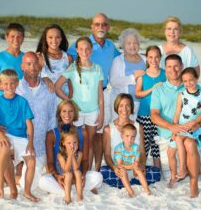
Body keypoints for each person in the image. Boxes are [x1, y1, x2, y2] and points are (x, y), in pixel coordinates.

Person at [150, 54, 201, 198]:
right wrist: (172, 127)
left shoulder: (193, 87)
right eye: (169, 66)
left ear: (182, 67)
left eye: (176, 66)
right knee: (171, 176)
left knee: (190, 144)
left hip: (189, 133)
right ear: (164, 69)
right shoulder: (159, 89)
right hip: (168, 137)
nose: (173, 69)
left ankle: (193, 183)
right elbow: (154, 116)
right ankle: (194, 166)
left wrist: (198, 124)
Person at [67, 13, 120, 170]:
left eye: (104, 24)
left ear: (108, 27)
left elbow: (123, 59)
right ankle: (77, 166)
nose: (100, 27)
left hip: (101, 93)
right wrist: (70, 88)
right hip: (81, 94)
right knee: (79, 135)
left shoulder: (111, 46)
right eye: (97, 24)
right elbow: (67, 60)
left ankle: (95, 168)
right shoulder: (84, 43)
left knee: (98, 134)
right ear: (91, 26)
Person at [0, 69, 39, 202]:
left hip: (21, 138)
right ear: (0, 84)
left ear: (17, 83)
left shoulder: (22, 101)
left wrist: (30, 142)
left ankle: (27, 192)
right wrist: (1, 135)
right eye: (5, 83)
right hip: (4, 134)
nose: (9, 86)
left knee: (32, 161)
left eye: (12, 83)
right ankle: (1, 183)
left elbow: (29, 124)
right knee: (4, 148)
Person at [55, 36, 104, 170]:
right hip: (76, 113)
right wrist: (68, 102)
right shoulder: (72, 68)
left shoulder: (98, 68)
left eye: (87, 48)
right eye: (81, 49)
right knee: (76, 143)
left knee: (90, 143)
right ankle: (74, 170)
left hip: (93, 111)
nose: (84, 51)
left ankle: (86, 172)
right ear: (77, 50)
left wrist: (101, 113)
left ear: (91, 50)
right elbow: (57, 87)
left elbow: (100, 93)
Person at [39, 100, 103, 194]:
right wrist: (57, 177)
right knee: (43, 181)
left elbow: (85, 160)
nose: (67, 114)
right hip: (62, 176)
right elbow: (50, 162)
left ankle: (71, 188)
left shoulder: (83, 132)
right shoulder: (51, 134)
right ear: (59, 114)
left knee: (98, 177)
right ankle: (75, 189)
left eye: (71, 111)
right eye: (64, 111)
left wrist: (83, 175)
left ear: (75, 113)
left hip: (78, 174)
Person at [100, 93, 161, 188]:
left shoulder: (138, 126)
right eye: (121, 106)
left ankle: (126, 182)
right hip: (118, 168)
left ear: (132, 108)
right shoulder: (108, 129)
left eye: (128, 105)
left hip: (135, 167)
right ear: (116, 107)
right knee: (103, 171)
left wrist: (142, 165)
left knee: (156, 172)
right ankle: (132, 182)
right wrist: (115, 168)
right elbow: (107, 155)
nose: (124, 109)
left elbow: (142, 151)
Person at [15, 52, 56, 190]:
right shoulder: (16, 89)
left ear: (40, 66)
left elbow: (52, 119)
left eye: (35, 63)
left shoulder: (49, 90)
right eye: (28, 63)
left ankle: (16, 177)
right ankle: (9, 172)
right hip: (19, 144)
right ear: (22, 66)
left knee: (30, 186)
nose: (32, 67)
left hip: (39, 148)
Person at [173, 67, 201, 180]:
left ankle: (183, 168)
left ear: (197, 79)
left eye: (191, 80)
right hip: (182, 125)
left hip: (195, 126)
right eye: (185, 81)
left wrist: (194, 122)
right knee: (179, 139)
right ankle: (195, 167)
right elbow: (177, 112)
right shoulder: (181, 94)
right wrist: (174, 127)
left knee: (184, 142)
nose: (188, 83)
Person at [135, 46, 166, 168]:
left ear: (160, 58)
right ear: (146, 59)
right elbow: (137, 93)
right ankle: (141, 171)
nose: (154, 60)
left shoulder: (165, 74)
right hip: (145, 115)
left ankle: (157, 171)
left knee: (157, 145)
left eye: (157, 57)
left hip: (160, 115)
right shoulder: (143, 76)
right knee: (144, 144)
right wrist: (152, 89)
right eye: (151, 57)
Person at [110, 28, 146, 120]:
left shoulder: (146, 60)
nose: (132, 46)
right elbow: (114, 82)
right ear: (123, 45)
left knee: (138, 132)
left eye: (135, 43)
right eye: (128, 43)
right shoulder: (118, 60)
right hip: (123, 107)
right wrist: (133, 77)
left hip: (142, 106)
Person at [114, 123, 151, 197]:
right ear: (122, 136)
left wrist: (137, 165)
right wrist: (132, 167)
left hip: (133, 169)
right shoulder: (118, 148)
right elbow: (120, 165)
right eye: (127, 136)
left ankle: (147, 189)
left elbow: (136, 161)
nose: (130, 139)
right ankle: (130, 191)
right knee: (122, 171)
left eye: (132, 137)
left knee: (139, 169)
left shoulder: (136, 147)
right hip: (122, 170)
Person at [0, 23, 25, 96]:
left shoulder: (26, 58)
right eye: (12, 36)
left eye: (19, 37)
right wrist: (4, 87)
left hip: (23, 100)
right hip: (5, 101)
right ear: (6, 37)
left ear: (23, 38)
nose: (16, 40)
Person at [36, 24, 73, 97]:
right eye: (50, 37)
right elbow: (33, 78)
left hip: (64, 99)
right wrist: (45, 78)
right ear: (45, 39)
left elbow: (71, 80)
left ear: (61, 38)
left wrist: (70, 98)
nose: (54, 40)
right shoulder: (40, 57)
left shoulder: (68, 58)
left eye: (57, 37)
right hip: (47, 99)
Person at [57, 129, 83, 204]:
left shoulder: (79, 154)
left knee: (78, 172)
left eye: (75, 142)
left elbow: (75, 168)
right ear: (63, 143)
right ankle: (67, 198)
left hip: (75, 180)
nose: (72, 145)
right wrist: (70, 155)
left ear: (78, 142)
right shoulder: (60, 155)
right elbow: (66, 170)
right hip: (64, 180)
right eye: (69, 143)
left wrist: (72, 155)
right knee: (68, 174)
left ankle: (79, 196)